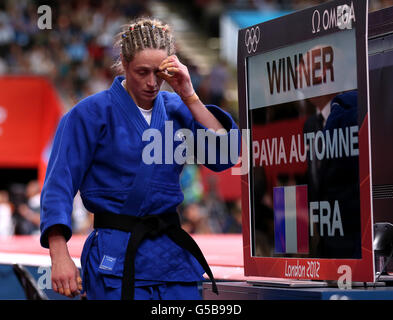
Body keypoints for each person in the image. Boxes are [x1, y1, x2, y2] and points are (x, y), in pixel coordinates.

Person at [40, 17, 240, 300]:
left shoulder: (178, 109)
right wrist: (59, 255)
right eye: (141, 72)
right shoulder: (88, 114)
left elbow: (227, 153)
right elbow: (58, 185)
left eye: (158, 73)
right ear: (123, 61)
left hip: (171, 256)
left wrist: (190, 95)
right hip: (115, 255)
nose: (151, 82)